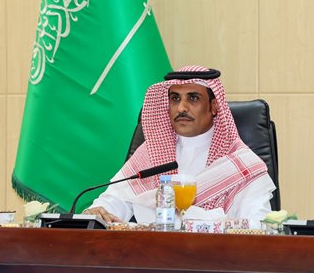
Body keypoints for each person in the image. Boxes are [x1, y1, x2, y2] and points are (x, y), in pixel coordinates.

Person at [84, 65, 275, 224]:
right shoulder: (151, 153)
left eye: (193, 98)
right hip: (148, 253)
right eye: (175, 99)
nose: (181, 108)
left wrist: (193, 219)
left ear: (214, 106)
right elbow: (113, 201)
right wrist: (98, 212)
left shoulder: (240, 165)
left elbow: (257, 224)